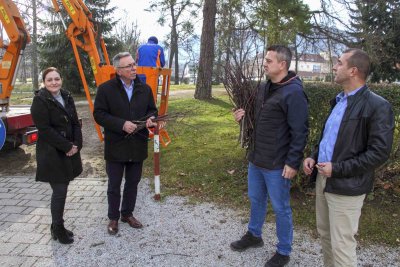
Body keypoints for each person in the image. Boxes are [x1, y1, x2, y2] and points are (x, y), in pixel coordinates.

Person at [303, 48, 394, 267]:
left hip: (347, 186)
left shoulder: (378, 106)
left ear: (353, 71)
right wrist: (314, 156)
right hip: (324, 180)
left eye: (339, 63)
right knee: (325, 236)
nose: (334, 66)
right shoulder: (339, 101)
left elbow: (379, 153)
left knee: (342, 245)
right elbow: (329, 138)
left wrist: (338, 169)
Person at [231, 45, 309, 267]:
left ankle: (283, 251)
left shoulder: (294, 92)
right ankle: (254, 235)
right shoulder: (266, 87)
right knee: (256, 200)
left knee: (281, 207)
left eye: (269, 60)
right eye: (265, 59)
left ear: (282, 64)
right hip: (257, 158)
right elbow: (260, 119)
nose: (264, 63)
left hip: (277, 164)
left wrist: (293, 162)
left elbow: (300, 131)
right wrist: (243, 117)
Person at [93, 52, 158, 235]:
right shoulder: (106, 89)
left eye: (133, 64)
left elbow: (152, 110)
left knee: (133, 182)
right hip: (116, 145)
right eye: (128, 66)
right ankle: (113, 217)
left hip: (137, 144)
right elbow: (99, 114)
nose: (133, 68)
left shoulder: (144, 89)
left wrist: (150, 119)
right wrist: (121, 124)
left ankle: (127, 214)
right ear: (118, 70)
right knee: (114, 184)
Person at [31, 67, 83, 244]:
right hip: (52, 152)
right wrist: (67, 146)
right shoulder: (40, 100)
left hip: (69, 149)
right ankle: (58, 229)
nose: (54, 82)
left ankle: (56, 226)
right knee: (59, 192)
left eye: (56, 79)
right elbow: (44, 130)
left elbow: (76, 122)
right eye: (49, 80)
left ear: (61, 80)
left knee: (63, 188)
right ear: (44, 83)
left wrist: (77, 144)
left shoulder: (67, 96)